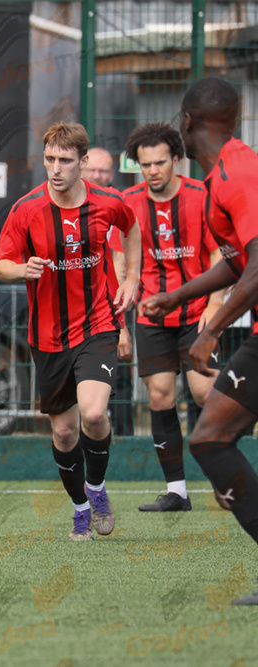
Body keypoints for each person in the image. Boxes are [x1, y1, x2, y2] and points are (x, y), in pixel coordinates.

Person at [0, 124, 141, 541]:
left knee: (94, 414)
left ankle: (96, 489)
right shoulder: (27, 209)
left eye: (65, 161)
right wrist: (22, 269)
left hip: (97, 326)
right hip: (47, 337)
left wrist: (131, 277)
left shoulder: (109, 201)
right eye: (49, 160)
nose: (56, 169)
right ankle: (80, 508)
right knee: (63, 430)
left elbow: (131, 230)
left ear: (84, 162)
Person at [141, 77, 258, 605]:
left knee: (211, 437)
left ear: (187, 123)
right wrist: (176, 296)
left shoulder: (237, 174)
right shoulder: (224, 173)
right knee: (210, 437)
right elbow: (238, 260)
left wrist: (210, 328)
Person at [122, 122, 224, 512]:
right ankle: (177, 492)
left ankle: (223, 473)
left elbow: (219, 255)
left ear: (177, 160)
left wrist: (214, 306)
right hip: (151, 316)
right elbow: (120, 260)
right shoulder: (129, 202)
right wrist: (120, 321)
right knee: (161, 396)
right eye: (145, 165)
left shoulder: (202, 196)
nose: (153, 171)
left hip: (198, 312)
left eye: (160, 162)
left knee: (204, 392)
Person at [83, 148, 136, 435]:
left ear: (112, 174)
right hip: (75, 310)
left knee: (121, 372)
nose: (97, 175)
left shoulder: (118, 205)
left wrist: (122, 325)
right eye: (92, 170)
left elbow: (119, 263)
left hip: (111, 306)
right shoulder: (66, 203)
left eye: (103, 171)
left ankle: (124, 438)